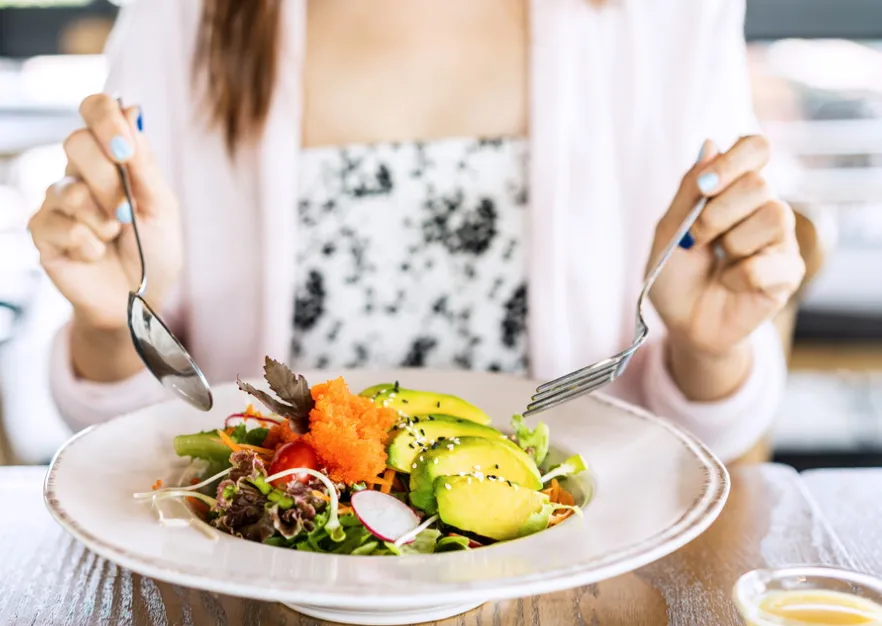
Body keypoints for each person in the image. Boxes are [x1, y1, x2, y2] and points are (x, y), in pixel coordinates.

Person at [28, 0, 804, 463]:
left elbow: (707, 439)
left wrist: (709, 350)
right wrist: (116, 323)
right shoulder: (184, 16)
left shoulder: (669, 17)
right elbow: (123, 437)